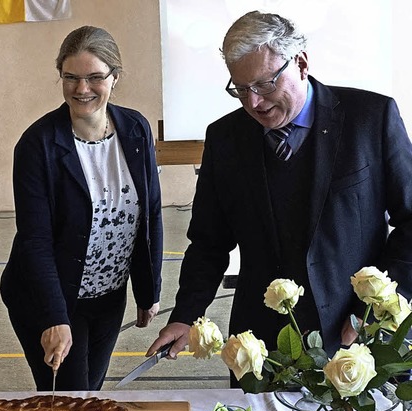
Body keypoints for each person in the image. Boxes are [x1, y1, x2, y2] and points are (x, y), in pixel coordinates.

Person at [146, 11, 412, 372]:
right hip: (260, 346)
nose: (253, 103)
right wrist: (186, 314)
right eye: (240, 89)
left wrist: (377, 307)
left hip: (357, 335)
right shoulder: (226, 138)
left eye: (265, 84)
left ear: (301, 63)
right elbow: (209, 241)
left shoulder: (370, 118)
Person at [0, 26, 163, 391]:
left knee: (91, 393)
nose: (82, 89)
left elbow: (149, 211)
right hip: (50, 297)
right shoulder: (37, 145)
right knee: (69, 402)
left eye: (94, 77)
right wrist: (54, 318)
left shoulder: (135, 128)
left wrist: (148, 289)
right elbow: (35, 240)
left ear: (115, 77)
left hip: (108, 296)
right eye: (71, 77)